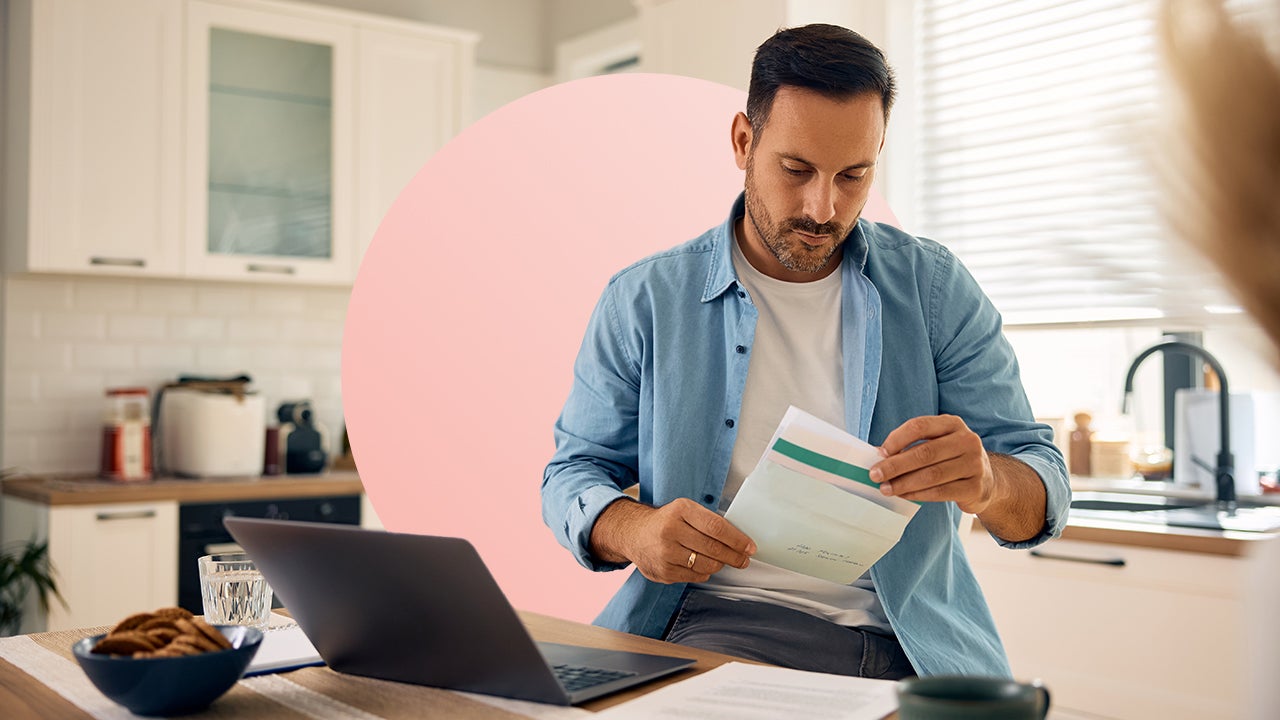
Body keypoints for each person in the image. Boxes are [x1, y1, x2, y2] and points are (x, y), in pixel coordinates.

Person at [541, 23, 1070, 680]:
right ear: (743, 141)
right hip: (706, 628)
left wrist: (988, 482)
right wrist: (633, 530)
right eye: (797, 170)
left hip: (907, 648)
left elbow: (1041, 489)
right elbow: (571, 475)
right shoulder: (644, 299)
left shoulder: (933, 290)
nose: (825, 207)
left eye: (855, 175)